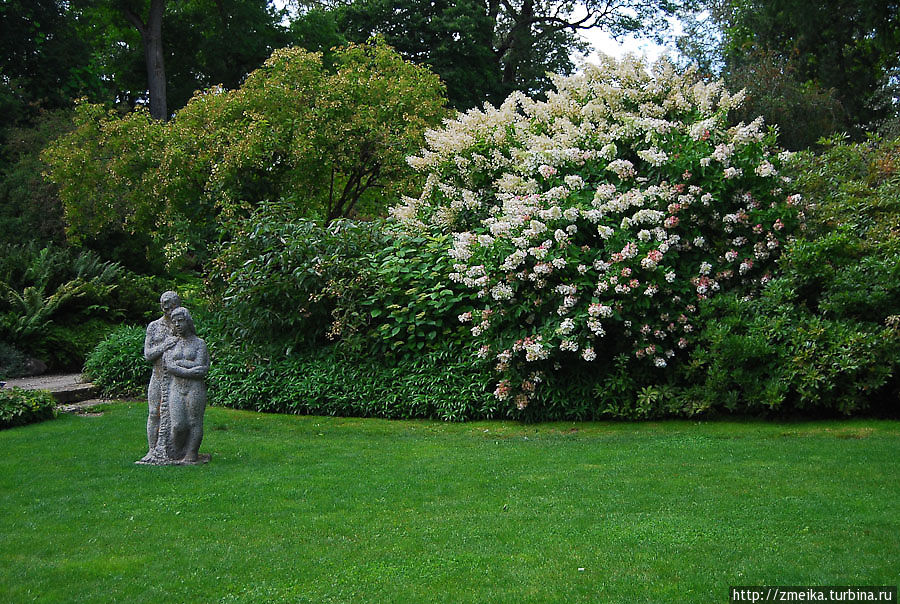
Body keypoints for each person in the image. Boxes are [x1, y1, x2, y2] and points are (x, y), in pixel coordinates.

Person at [163, 306, 210, 464]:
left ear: (188, 322)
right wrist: (190, 368)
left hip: (195, 388)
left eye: (180, 320)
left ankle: (191, 453)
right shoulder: (172, 343)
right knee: (177, 425)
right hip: (176, 387)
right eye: (174, 322)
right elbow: (170, 366)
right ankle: (176, 451)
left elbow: (203, 368)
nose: (177, 324)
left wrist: (180, 366)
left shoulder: (199, 343)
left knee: (194, 421)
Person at [139, 291, 181, 463]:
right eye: (164, 303)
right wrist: (165, 345)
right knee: (153, 412)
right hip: (157, 376)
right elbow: (148, 354)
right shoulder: (154, 326)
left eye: (170, 303)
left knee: (175, 415)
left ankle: (173, 450)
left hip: (176, 377)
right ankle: (152, 450)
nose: (166, 307)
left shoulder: (181, 324)